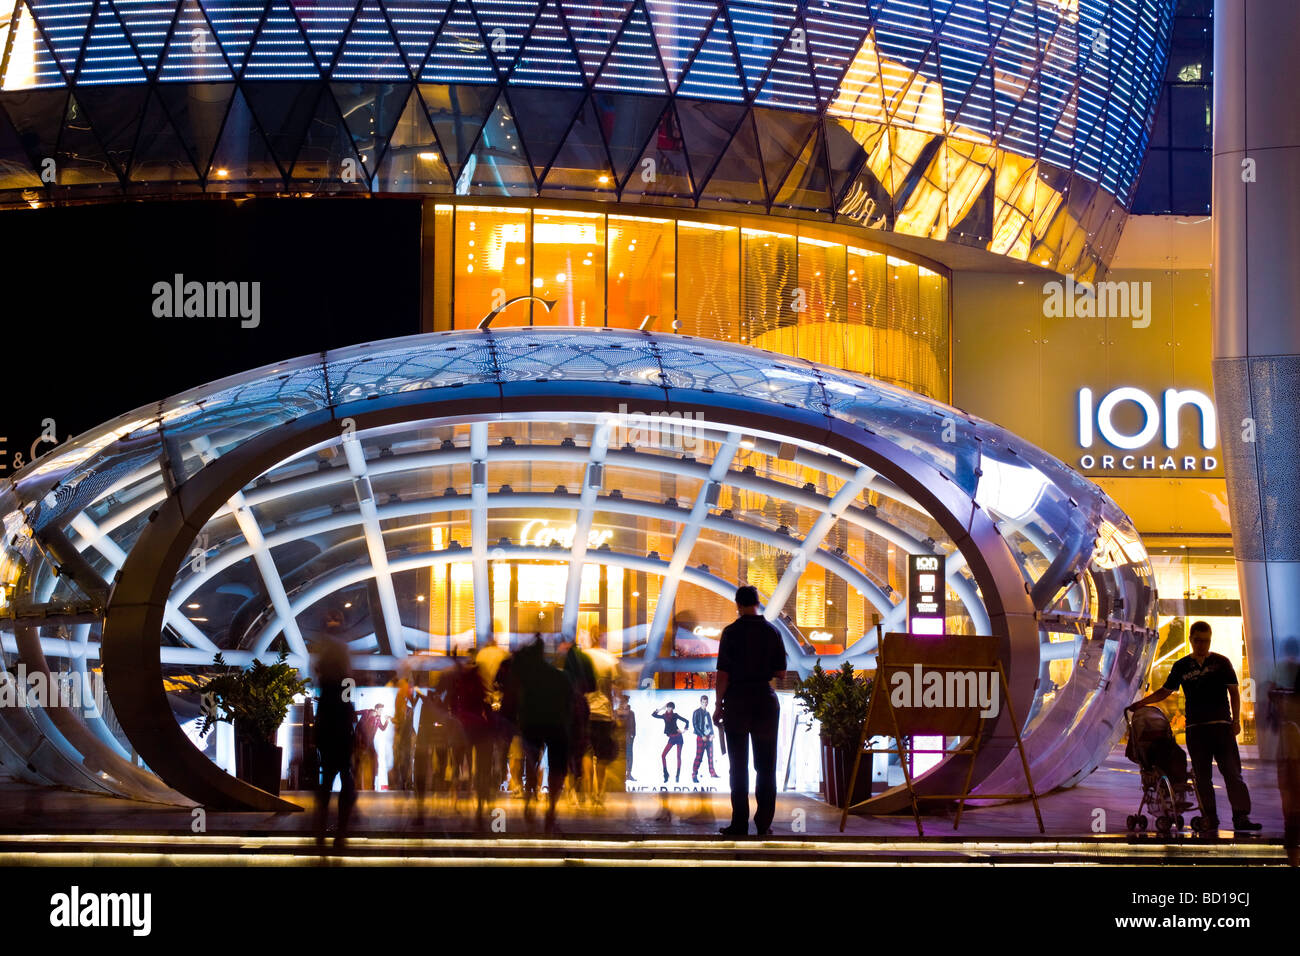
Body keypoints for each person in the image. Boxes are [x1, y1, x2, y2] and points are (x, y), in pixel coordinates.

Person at [1127, 620, 1261, 833]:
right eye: (1198, 641)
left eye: (1206, 641)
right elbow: (1166, 691)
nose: (1202, 645)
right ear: (1191, 640)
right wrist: (1143, 703)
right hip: (1197, 730)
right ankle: (1210, 817)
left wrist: (1236, 721)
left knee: (1233, 774)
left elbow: (1234, 693)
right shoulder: (1181, 666)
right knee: (1202, 777)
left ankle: (1241, 817)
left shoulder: (1221, 663)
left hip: (1221, 727)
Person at [714, 585, 787, 837]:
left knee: (738, 764)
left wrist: (717, 705)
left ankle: (739, 824)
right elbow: (780, 673)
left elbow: (722, 674)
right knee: (766, 766)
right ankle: (764, 824)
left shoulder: (731, 633)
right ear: (758, 602)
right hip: (765, 701)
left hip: (737, 700)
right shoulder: (773, 632)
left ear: (738, 604)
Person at [505, 636, 573, 832]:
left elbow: (516, 701)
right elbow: (568, 703)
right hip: (557, 725)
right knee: (556, 769)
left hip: (532, 724)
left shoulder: (526, 679)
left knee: (531, 763)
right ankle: (551, 810)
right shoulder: (560, 677)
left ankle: (529, 801)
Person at [312, 634, 357, 850]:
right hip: (341, 734)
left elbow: (322, 710)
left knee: (326, 779)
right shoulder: (345, 681)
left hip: (327, 733)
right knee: (345, 778)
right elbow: (348, 707)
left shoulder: (325, 681)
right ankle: (340, 831)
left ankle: (320, 829)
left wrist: (317, 735)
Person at [354, 703, 390, 790]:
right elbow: (355, 713)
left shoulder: (377, 719)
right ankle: (359, 785)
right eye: (380, 710)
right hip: (361, 742)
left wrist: (387, 720)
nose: (381, 712)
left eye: (382, 710)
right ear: (376, 709)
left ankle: (371, 786)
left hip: (369, 743)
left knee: (373, 762)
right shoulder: (367, 712)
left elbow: (383, 728)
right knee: (360, 763)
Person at [651, 701, 688, 783]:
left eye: (670, 707)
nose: (668, 709)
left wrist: (683, 730)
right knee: (663, 755)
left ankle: (677, 775)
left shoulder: (675, 715)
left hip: (678, 738)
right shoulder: (664, 716)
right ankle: (666, 775)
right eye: (667, 707)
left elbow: (687, 721)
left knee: (678, 756)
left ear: (672, 708)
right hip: (671, 738)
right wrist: (661, 708)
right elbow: (653, 715)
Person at [691, 694, 720, 783]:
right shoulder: (696, 712)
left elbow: (710, 725)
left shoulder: (708, 714)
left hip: (709, 737)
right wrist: (702, 735)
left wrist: (712, 734)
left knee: (710, 756)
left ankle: (712, 773)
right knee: (699, 757)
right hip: (701, 737)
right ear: (701, 702)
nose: (705, 704)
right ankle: (694, 774)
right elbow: (695, 725)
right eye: (703, 702)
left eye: (706, 702)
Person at [616, 693, 636, 782]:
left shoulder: (631, 713)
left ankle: (629, 774)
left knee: (629, 755)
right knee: (621, 755)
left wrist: (632, 735)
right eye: (622, 701)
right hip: (620, 736)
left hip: (628, 736)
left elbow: (633, 724)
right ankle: (622, 774)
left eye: (625, 701)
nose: (624, 703)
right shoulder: (617, 711)